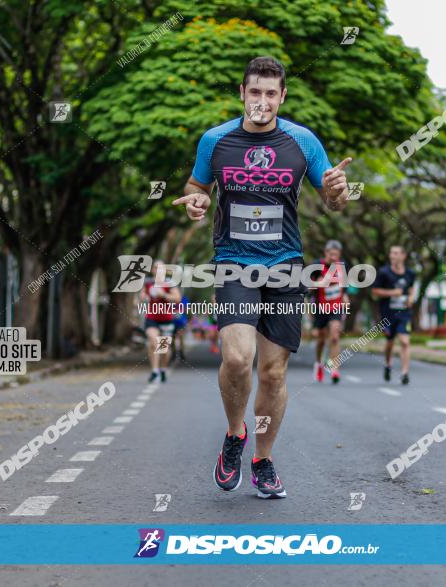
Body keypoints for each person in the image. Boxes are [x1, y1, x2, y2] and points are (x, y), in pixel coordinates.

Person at [173, 56, 352, 498]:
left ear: (283, 96)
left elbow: (333, 200)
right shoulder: (215, 141)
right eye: (255, 92)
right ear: (242, 93)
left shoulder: (303, 142)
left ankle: (263, 458)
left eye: (271, 93)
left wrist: (338, 192)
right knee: (237, 359)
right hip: (234, 261)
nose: (263, 101)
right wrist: (195, 201)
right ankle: (235, 435)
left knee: (272, 373)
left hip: (286, 265)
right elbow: (197, 187)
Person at [372, 245, 417, 385]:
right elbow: (375, 291)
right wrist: (392, 293)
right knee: (390, 342)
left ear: (403, 256)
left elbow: (411, 288)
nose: (393, 255)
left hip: (404, 313)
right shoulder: (383, 272)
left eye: (396, 253)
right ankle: (387, 364)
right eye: (391, 253)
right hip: (388, 314)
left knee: (405, 341)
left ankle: (404, 373)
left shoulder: (410, 273)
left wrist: (410, 298)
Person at [311, 239, 349, 384]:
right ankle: (318, 363)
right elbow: (306, 286)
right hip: (320, 307)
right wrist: (318, 283)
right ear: (325, 253)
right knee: (320, 339)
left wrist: (345, 295)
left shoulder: (342, 266)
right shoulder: (316, 265)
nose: (334, 258)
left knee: (334, 336)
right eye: (331, 254)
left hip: (336, 306)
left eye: (337, 255)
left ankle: (334, 368)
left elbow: (344, 285)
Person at [140, 261, 181, 383]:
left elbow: (177, 298)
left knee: (164, 348)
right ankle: (154, 371)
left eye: (160, 268)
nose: (157, 270)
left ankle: (163, 369)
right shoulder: (148, 282)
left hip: (166, 319)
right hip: (151, 317)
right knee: (153, 341)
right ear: (152, 270)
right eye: (155, 267)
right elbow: (142, 295)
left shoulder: (169, 283)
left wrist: (163, 294)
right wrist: (144, 297)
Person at [171, 295, 190, 362]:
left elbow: (186, 309)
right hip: (171, 321)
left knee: (181, 337)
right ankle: (173, 354)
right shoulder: (169, 296)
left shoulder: (184, 298)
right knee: (172, 338)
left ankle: (181, 353)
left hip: (181, 321)